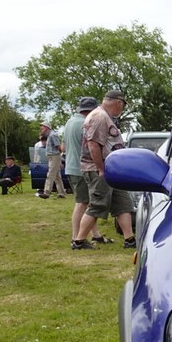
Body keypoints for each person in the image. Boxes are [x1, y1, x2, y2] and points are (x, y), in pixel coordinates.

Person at [74, 90, 135, 250]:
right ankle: (79, 241)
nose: (121, 110)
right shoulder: (99, 116)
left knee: (123, 204)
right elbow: (93, 144)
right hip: (99, 170)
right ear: (118, 103)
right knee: (98, 204)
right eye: (122, 106)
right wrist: (101, 169)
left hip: (112, 170)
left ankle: (130, 239)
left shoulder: (105, 116)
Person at [62, 96, 111, 245]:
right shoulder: (86, 122)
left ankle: (95, 235)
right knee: (82, 203)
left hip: (71, 167)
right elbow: (92, 145)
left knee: (89, 203)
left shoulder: (70, 122)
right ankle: (76, 238)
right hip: (81, 168)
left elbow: (63, 146)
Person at [37, 121, 67, 199]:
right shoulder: (49, 135)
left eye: (43, 127)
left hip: (54, 156)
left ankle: (46, 192)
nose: (41, 128)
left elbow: (58, 147)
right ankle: (61, 193)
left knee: (50, 174)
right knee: (57, 176)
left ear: (47, 127)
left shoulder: (53, 135)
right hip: (52, 157)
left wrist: (59, 158)